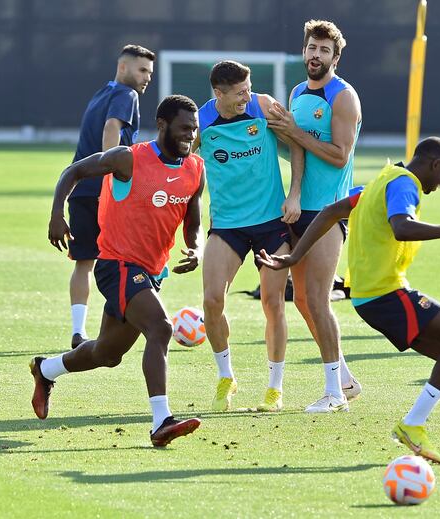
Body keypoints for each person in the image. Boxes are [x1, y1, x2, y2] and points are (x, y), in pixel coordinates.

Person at [258, 137, 440, 464]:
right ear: (434, 164)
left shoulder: (383, 178)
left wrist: (295, 256)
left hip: (371, 298)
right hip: (386, 294)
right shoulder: (405, 185)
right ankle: (413, 423)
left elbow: (330, 211)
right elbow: (402, 227)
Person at [33, 95, 204, 447]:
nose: (191, 135)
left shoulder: (195, 170)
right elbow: (74, 171)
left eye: (195, 129)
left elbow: (193, 221)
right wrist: (56, 214)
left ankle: (45, 369)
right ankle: (161, 422)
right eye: (184, 128)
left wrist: (196, 247)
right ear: (162, 125)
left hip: (152, 271)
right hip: (117, 264)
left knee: (107, 354)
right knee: (161, 328)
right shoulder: (129, 159)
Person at [266, 19, 362, 412]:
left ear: (335, 57)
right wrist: (276, 134)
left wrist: (295, 133)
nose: (315, 56)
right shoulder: (298, 92)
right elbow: (298, 151)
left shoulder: (343, 97)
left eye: (324, 50)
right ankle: (344, 379)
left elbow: (339, 157)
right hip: (299, 210)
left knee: (319, 300)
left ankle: (334, 394)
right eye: (311, 48)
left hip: (329, 211)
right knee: (302, 299)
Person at [193, 60, 290, 413]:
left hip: (271, 222)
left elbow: (296, 143)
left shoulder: (263, 106)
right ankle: (225, 376)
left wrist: (294, 196)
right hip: (228, 224)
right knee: (212, 300)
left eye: (249, 88)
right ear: (218, 94)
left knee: (273, 302)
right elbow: (184, 165)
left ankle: (274, 387)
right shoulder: (200, 121)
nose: (247, 96)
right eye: (239, 93)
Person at [65, 44, 155, 349]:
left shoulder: (102, 92)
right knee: (129, 258)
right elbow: (111, 126)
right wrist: (108, 172)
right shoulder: (126, 95)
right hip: (105, 191)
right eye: (142, 70)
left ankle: (78, 330)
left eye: (150, 73)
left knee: (84, 263)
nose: (147, 78)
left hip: (80, 191)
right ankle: (137, 320)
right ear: (123, 68)